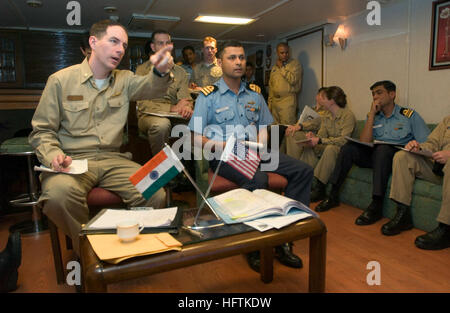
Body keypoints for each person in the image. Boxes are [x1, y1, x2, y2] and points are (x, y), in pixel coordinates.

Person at [28, 19, 174, 254]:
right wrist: (54, 155)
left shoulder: (124, 79)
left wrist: (160, 70)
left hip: (113, 159)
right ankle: (87, 253)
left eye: (124, 45)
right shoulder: (60, 80)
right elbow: (42, 131)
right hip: (72, 160)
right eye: (114, 41)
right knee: (57, 196)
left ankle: (132, 246)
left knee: (155, 189)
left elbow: (153, 87)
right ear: (93, 42)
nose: (120, 49)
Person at [188, 40, 313, 273]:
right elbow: (194, 138)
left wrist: (260, 147)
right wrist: (223, 144)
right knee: (259, 180)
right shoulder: (208, 97)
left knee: (303, 170)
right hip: (224, 154)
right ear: (220, 61)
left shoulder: (254, 94)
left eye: (242, 58)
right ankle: (255, 244)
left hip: (254, 151)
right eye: (232, 57)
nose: (238, 62)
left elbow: (264, 127)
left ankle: (284, 239)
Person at [316, 81, 430, 226]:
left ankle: (376, 204)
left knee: (383, 150)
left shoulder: (408, 116)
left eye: (379, 92)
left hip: (396, 157)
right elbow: (365, 141)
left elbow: (426, 142)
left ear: (392, 94)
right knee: (348, 148)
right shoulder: (374, 116)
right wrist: (371, 115)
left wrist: (414, 146)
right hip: (376, 155)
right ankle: (333, 194)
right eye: (373, 94)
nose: (375, 97)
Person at [385, 115, 450, 250]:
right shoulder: (448, 120)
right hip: (439, 169)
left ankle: (446, 229)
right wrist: (418, 147)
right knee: (402, 156)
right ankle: (403, 214)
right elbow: (432, 143)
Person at [286, 86, 356, 202]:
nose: (321, 101)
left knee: (331, 149)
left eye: (324, 98)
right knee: (308, 145)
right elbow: (322, 135)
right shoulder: (327, 116)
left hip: (341, 151)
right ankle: (301, 179)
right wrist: (313, 138)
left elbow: (344, 140)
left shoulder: (347, 116)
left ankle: (320, 188)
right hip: (326, 146)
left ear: (332, 100)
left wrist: (320, 140)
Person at [136, 30, 193, 156]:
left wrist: (187, 107)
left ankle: (194, 171)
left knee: (201, 122)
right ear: (153, 47)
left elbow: (185, 97)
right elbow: (144, 105)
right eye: (160, 43)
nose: (164, 47)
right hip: (149, 116)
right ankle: (163, 171)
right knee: (161, 125)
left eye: (167, 43)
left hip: (175, 117)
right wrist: (173, 108)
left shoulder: (180, 72)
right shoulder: (142, 70)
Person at [285, 87, 328, 160]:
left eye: (325, 96)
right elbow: (299, 123)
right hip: (301, 130)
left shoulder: (327, 112)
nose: (322, 98)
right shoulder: (310, 109)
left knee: (293, 134)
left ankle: (293, 164)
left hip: (312, 134)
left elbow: (318, 123)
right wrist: (293, 127)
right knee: (280, 131)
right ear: (317, 96)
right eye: (321, 95)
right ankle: (277, 164)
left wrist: (298, 127)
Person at [268, 42, 302, 125]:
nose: (285, 55)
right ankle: (275, 139)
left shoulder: (295, 64)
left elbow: (293, 80)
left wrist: (282, 68)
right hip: (275, 102)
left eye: (287, 52)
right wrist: (269, 105)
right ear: (277, 53)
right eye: (282, 53)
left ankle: (286, 138)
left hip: (287, 101)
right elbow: (271, 87)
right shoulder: (274, 67)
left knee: (287, 130)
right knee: (275, 130)